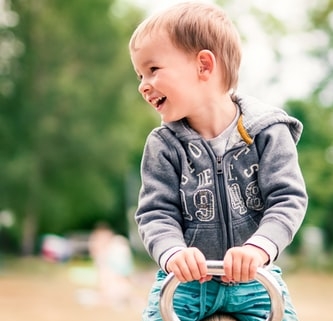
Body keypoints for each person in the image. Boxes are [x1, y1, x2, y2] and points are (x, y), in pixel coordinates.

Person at [129, 2, 308, 321]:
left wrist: (258, 250)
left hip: (253, 280)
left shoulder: (267, 132)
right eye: (140, 74)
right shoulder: (164, 145)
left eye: (153, 69)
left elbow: (287, 199)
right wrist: (173, 255)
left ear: (204, 66)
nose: (143, 84)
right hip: (186, 285)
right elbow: (156, 212)